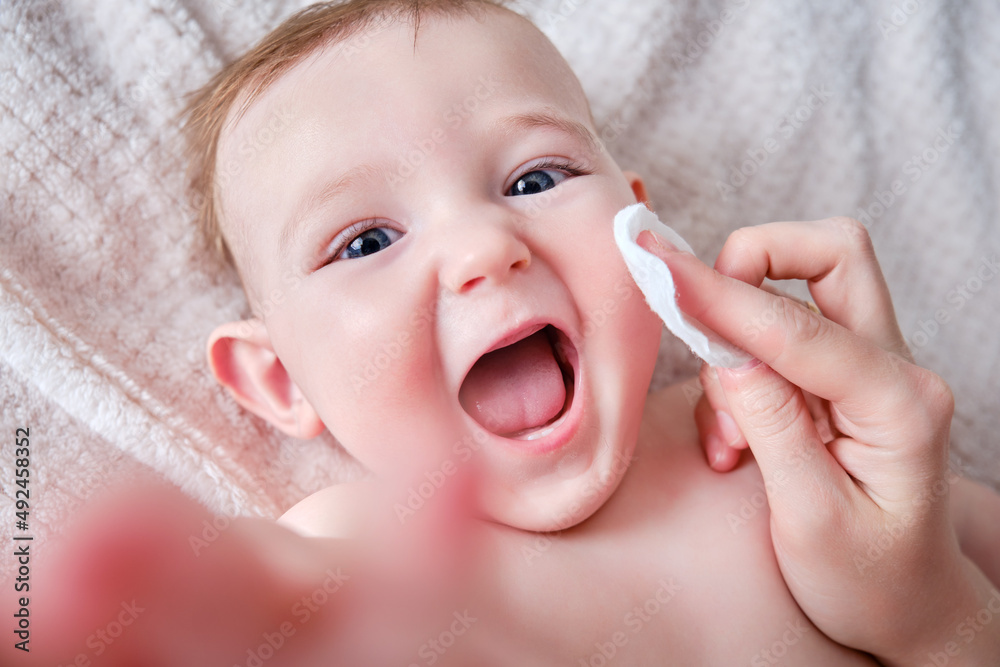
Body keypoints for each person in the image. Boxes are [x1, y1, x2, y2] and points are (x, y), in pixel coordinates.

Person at [19, 1, 1000, 665]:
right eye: (365, 239)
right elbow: (260, 597)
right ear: (280, 382)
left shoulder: (789, 448)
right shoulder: (365, 550)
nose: (485, 245)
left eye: (535, 179)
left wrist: (939, 621)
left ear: (646, 232)